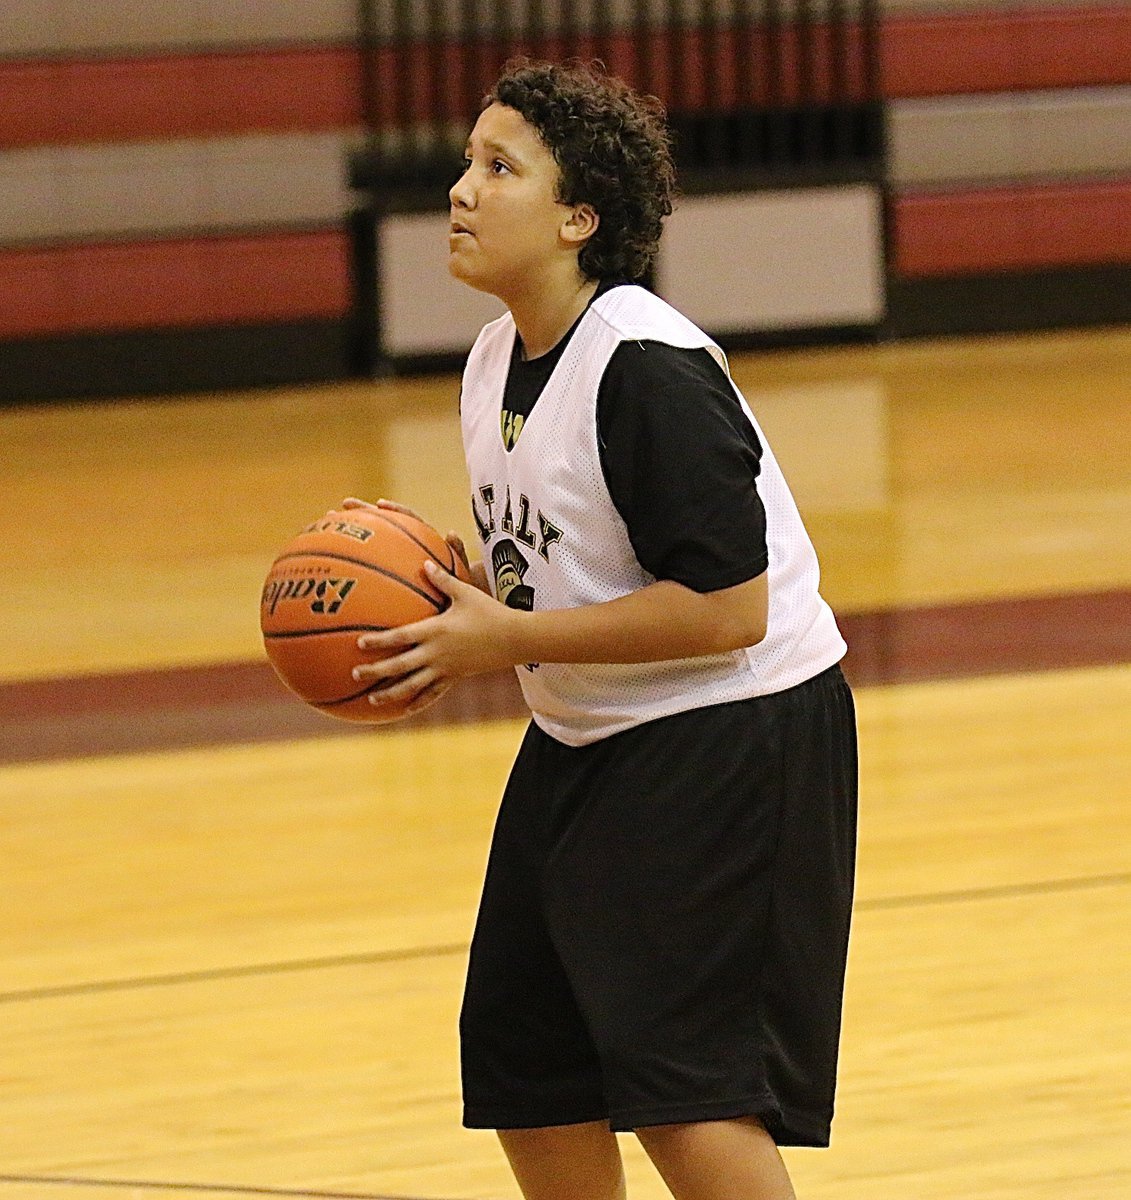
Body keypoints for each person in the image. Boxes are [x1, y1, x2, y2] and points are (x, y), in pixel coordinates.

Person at [346, 58, 857, 1200]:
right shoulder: (493, 359)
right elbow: (566, 557)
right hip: (590, 735)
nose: (460, 191)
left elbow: (731, 607)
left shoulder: (647, 364)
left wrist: (506, 642)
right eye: (465, 162)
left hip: (732, 732)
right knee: (531, 1060)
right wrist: (451, 596)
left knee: (686, 1091)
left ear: (578, 218)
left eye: (498, 167)